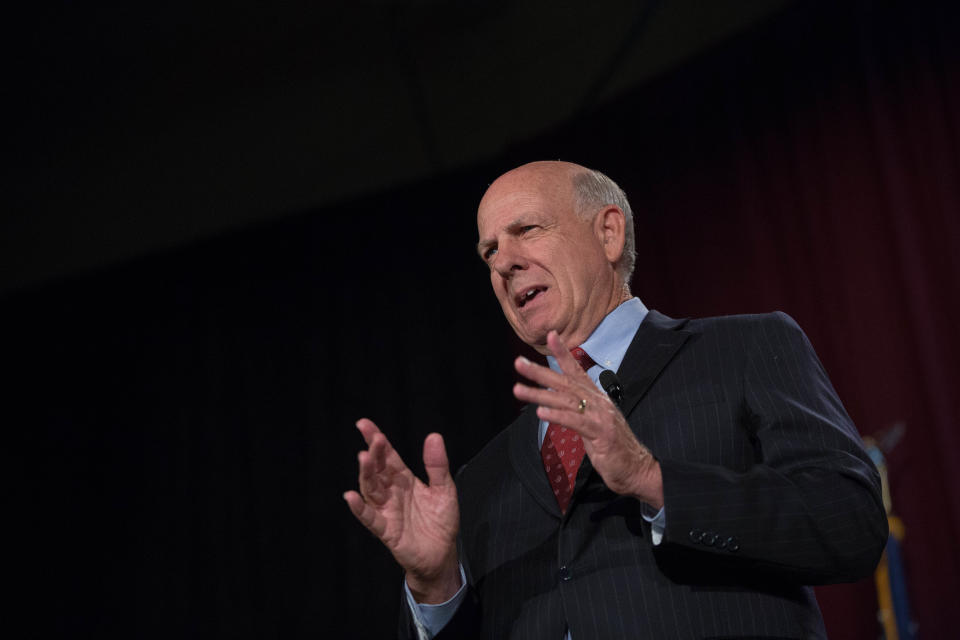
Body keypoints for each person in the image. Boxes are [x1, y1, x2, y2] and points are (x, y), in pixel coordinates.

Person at [344, 161, 887, 639]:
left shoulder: (745, 349)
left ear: (607, 233)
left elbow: (850, 524)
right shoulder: (481, 478)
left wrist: (653, 479)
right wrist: (434, 584)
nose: (503, 262)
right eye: (489, 252)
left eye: (526, 230)